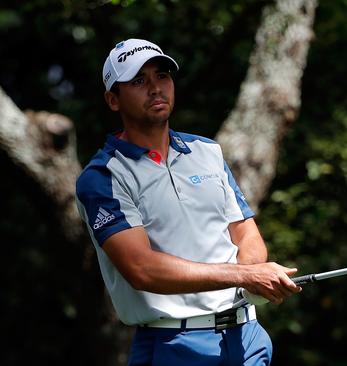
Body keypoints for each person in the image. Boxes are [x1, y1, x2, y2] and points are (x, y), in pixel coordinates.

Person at [75, 38, 301, 366]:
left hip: (247, 338)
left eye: (162, 76)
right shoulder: (103, 177)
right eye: (138, 81)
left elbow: (246, 233)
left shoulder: (207, 151)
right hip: (175, 345)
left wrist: (253, 274)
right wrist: (244, 276)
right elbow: (142, 269)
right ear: (113, 100)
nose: (155, 88)